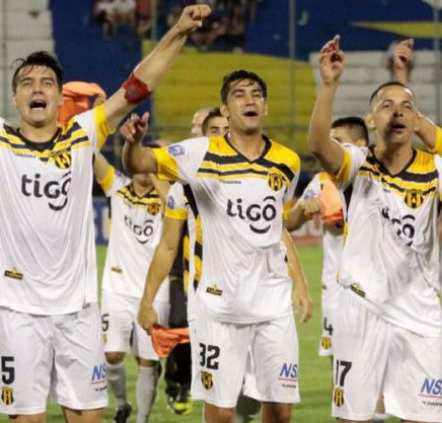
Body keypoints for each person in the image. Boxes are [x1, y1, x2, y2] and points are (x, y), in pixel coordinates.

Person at [0, 0, 210, 421]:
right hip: (17, 310)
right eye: (27, 82)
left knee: (87, 417)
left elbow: (137, 87)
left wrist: (176, 31)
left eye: (47, 82)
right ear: (15, 97)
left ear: (60, 96)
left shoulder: (83, 134)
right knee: (28, 417)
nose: (37, 88)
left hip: (78, 309)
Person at [123, 69, 312, 423]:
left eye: (256, 94)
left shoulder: (288, 161)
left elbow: (277, 228)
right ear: (225, 110)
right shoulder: (198, 155)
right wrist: (133, 143)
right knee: (221, 413)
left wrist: (299, 283)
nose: (250, 100)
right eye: (239, 94)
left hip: (272, 304)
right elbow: (139, 163)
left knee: (280, 411)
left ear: (266, 106)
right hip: (217, 306)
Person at [307, 35, 442, 423]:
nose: (397, 113)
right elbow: (317, 144)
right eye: (386, 106)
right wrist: (329, 84)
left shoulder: (434, 170)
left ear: (417, 119)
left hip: (420, 312)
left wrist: (410, 105)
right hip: (361, 308)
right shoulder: (356, 164)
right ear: (370, 120)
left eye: (406, 108)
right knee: (352, 418)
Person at [162, 107, 228, 415]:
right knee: (180, 328)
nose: (192, 131)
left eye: (197, 125)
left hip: (232, 278)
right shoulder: (184, 171)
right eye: (192, 125)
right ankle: (179, 383)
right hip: (187, 268)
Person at [94, 147, 168, 423]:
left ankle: (142, 419)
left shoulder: (167, 196)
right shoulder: (117, 188)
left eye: (153, 163)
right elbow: (94, 156)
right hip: (116, 288)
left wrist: (158, 175)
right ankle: (122, 403)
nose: (146, 168)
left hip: (154, 292)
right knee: (112, 354)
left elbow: (176, 209)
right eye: (144, 161)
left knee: (147, 360)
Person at [286, 117, 368, 361]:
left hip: (374, 288)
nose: (329, 148)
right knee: (339, 365)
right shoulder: (323, 182)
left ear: (360, 145)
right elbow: (289, 224)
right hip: (336, 290)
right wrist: (302, 208)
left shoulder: (380, 181)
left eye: (338, 141)